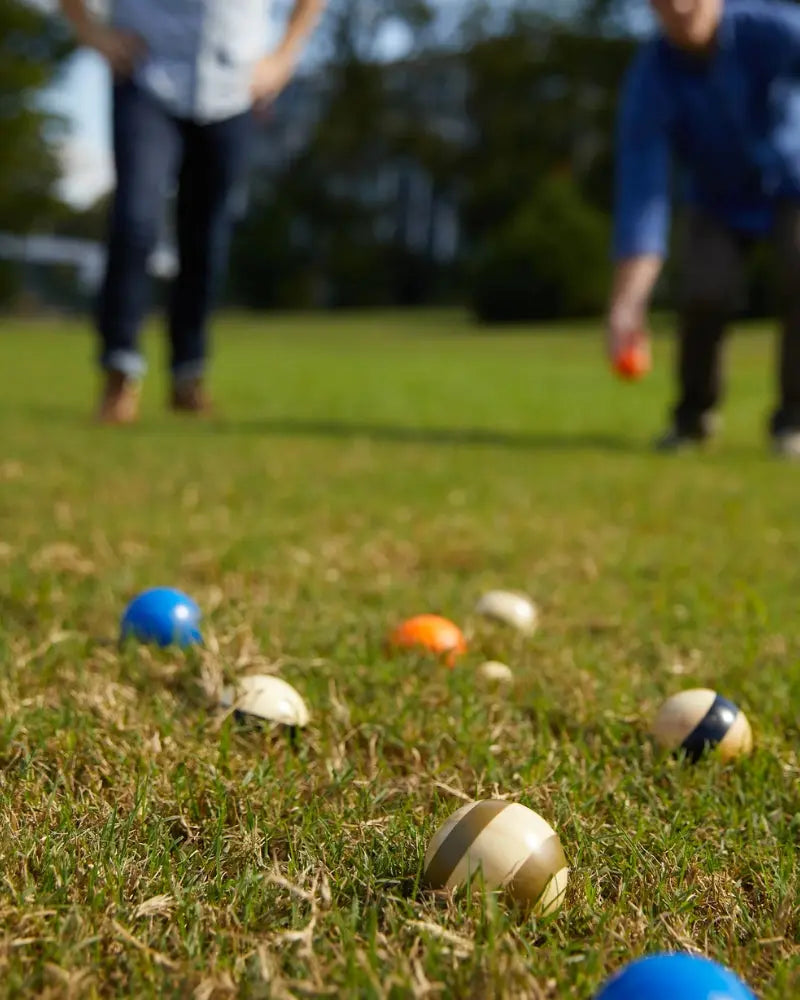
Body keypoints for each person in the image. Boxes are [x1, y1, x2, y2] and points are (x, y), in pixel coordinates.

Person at [59, 0, 324, 423]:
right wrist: (93, 34)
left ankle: (188, 372)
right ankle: (119, 370)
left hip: (233, 87)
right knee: (136, 220)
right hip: (146, 76)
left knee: (206, 237)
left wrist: (283, 57)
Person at [608, 0, 800, 456]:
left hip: (794, 183)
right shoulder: (652, 77)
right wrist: (627, 304)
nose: (677, 6)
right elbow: (643, 194)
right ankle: (693, 417)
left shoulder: (774, 31)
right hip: (716, 199)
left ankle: (795, 421)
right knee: (704, 289)